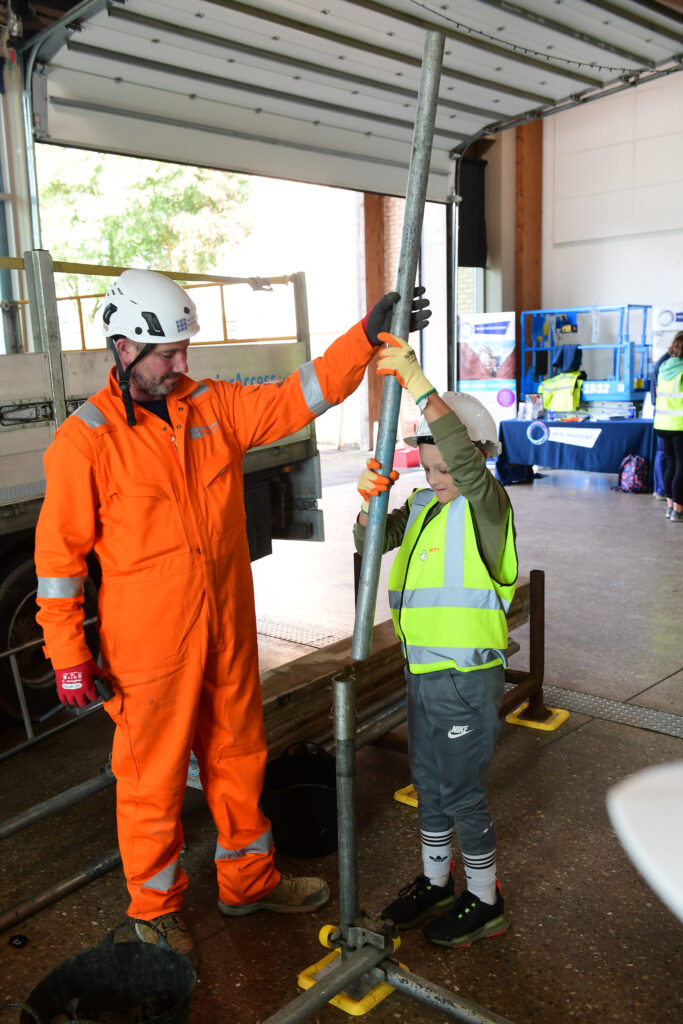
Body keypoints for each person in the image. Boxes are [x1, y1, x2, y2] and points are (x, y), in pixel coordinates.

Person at [34, 270, 431, 965]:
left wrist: (365, 338)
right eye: (167, 354)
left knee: (239, 760)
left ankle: (247, 882)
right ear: (122, 348)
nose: (182, 363)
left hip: (226, 633)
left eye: (185, 349)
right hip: (149, 648)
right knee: (150, 782)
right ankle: (153, 914)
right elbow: (59, 562)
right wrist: (68, 656)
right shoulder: (86, 439)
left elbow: (296, 396)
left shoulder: (211, 407)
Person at [353, 332, 517, 948]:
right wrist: (369, 508)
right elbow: (368, 545)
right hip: (421, 674)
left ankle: (483, 896)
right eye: (427, 466)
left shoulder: (488, 507)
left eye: (447, 466)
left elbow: (467, 469)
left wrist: (419, 387)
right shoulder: (424, 505)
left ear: (478, 459)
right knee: (427, 780)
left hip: (466, 678)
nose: (438, 476)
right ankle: (434, 878)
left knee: (461, 791)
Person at [653, 331, 683, 522]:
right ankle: (679, 510)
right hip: (680, 424)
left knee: (671, 465)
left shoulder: (663, 367)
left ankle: (670, 506)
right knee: (681, 466)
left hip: (663, 423)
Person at [650, 348, 670, 501]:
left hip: (662, 416)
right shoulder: (671, 365)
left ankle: (661, 490)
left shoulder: (661, 364)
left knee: (663, 453)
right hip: (673, 416)